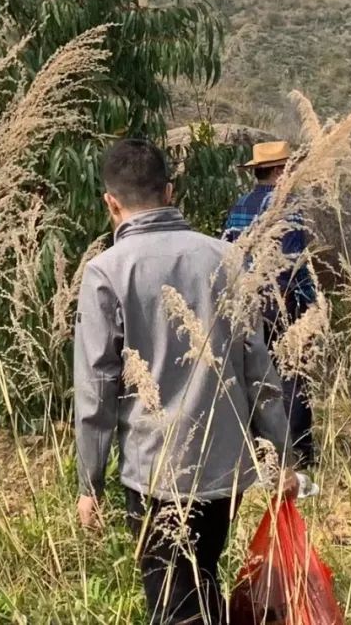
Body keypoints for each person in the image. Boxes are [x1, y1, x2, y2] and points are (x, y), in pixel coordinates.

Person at [74, 139, 298, 625]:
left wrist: (89, 482)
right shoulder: (226, 257)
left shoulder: (106, 272)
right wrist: (280, 455)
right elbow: (259, 370)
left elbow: (97, 388)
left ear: (110, 202)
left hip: (154, 471)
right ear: (170, 191)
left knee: (172, 599)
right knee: (203, 576)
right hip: (224, 469)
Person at [223, 140, 317, 470]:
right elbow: (289, 266)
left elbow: (229, 256)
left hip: (248, 303)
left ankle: (261, 454)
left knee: (258, 377)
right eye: (289, 168)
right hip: (286, 304)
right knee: (293, 376)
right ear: (279, 171)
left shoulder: (239, 207)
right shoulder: (287, 206)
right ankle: (297, 458)